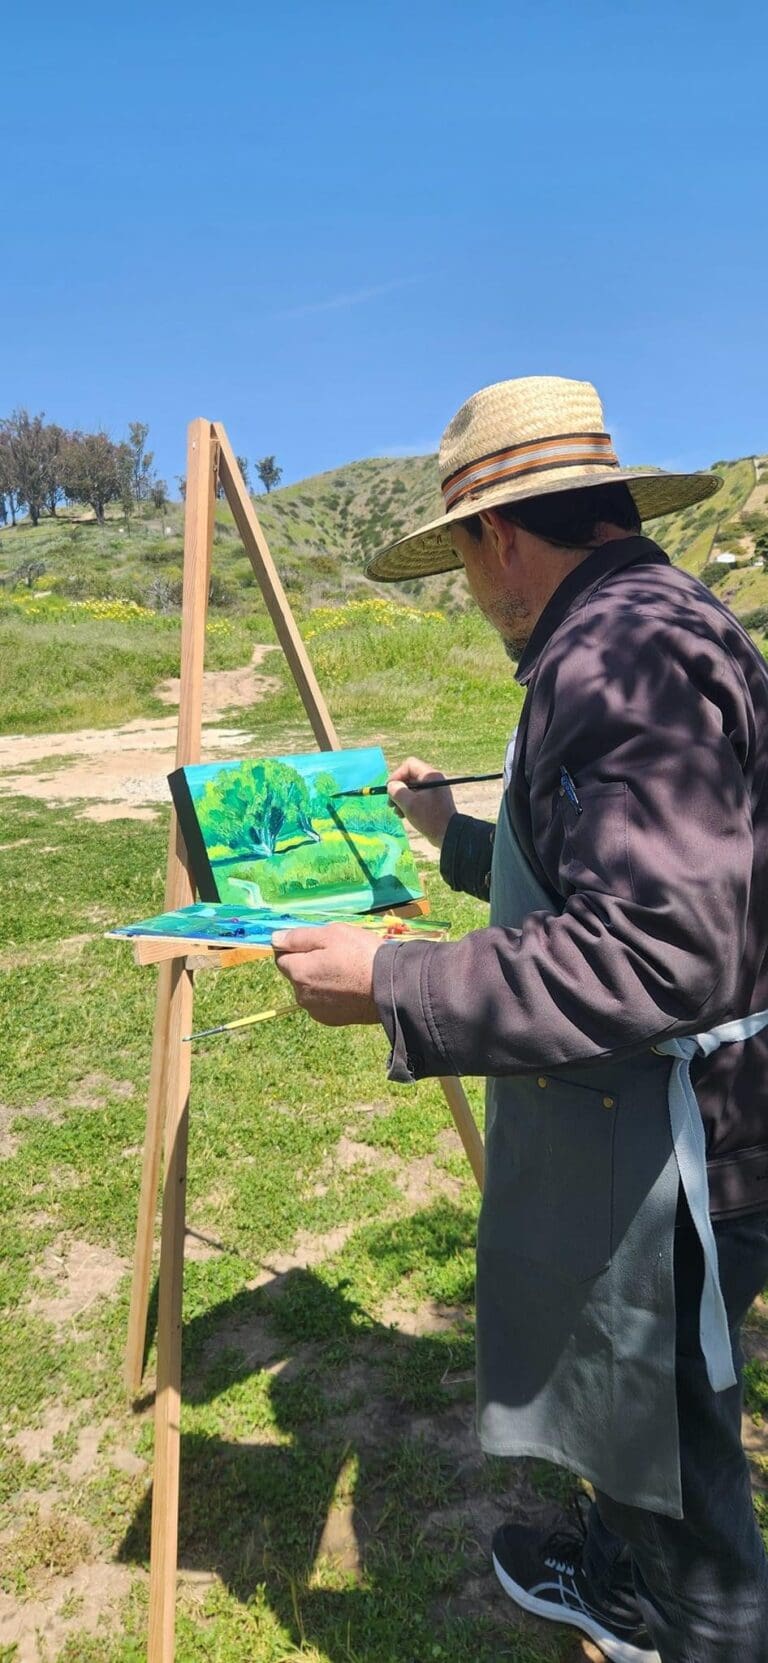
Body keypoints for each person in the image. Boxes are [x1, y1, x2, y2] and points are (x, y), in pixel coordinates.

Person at [273, 376, 768, 1662]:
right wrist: (454, 842)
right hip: (674, 1128)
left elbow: (657, 947)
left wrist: (392, 983)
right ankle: (617, 1577)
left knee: (682, 1473)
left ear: (500, 535)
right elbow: (615, 865)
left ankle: (688, 1619)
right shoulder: (646, 621)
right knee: (639, 1418)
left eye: (463, 564)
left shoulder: (620, 655)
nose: (471, 594)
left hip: (686, 1154)